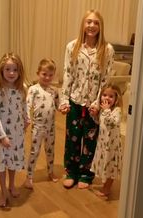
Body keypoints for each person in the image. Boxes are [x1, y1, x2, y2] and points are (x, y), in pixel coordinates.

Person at [59, 9, 115, 189]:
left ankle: (86, 174)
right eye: (88, 22)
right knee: (72, 138)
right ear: (83, 24)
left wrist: (98, 103)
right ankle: (71, 171)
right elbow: (67, 74)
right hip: (75, 100)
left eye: (96, 22)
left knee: (91, 140)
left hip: (94, 104)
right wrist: (64, 100)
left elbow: (106, 79)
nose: (92, 26)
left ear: (101, 26)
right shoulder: (72, 46)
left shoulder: (107, 49)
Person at [0, 52, 29, 207]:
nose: (11, 73)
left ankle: (12, 185)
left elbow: (24, 105)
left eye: (15, 69)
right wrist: (2, 136)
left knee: (12, 161)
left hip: (18, 132)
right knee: (2, 162)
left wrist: (27, 119)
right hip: (4, 134)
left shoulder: (22, 88)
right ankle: (3, 191)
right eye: (8, 69)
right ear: (1, 70)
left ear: (20, 71)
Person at [24, 58, 59, 189]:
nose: (47, 77)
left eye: (50, 75)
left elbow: (58, 105)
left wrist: (64, 108)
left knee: (50, 151)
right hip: (38, 127)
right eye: (44, 74)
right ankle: (29, 176)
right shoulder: (33, 89)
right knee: (34, 151)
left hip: (51, 127)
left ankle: (50, 172)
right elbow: (27, 105)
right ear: (38, 73)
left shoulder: (54, 91)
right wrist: (27, 119)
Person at [90, 83, 123, 197]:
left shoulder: (117, 110)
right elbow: (101, 123)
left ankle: (107, 188)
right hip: (103, 143)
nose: (107, 98)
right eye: (104, 95)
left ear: (116, 98)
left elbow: (112, 123)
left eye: (111, 96)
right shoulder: (104, 110)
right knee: (105, 164)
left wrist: (107, 111)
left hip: (112, 146)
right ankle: (105, 186)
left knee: (111, 167)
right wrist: (95, 114)